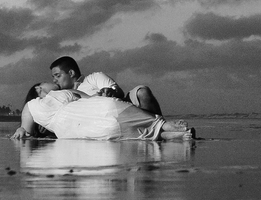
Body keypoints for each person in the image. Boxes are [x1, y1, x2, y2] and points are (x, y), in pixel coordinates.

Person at [11, 79, 194, 141]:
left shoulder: (31, 107)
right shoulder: (59, 95)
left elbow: (25, 131)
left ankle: (178, 136)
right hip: (98, 108)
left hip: (74, 128)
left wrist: (21, 130)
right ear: (38, 89)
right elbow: (93, 99)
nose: (54, 81)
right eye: (46, 80)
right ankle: (171, 130)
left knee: (134, 135)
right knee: (152, 124)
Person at [49, 56, 163, 115]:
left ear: (71, 73)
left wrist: (111, 91)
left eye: (57, 76)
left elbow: (117, 91)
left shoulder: (93, 78)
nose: (54, 80)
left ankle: (160, 125)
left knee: (142, 92)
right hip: (99, 122)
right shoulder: (63, 97)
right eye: (53, 77)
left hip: (121, 109)